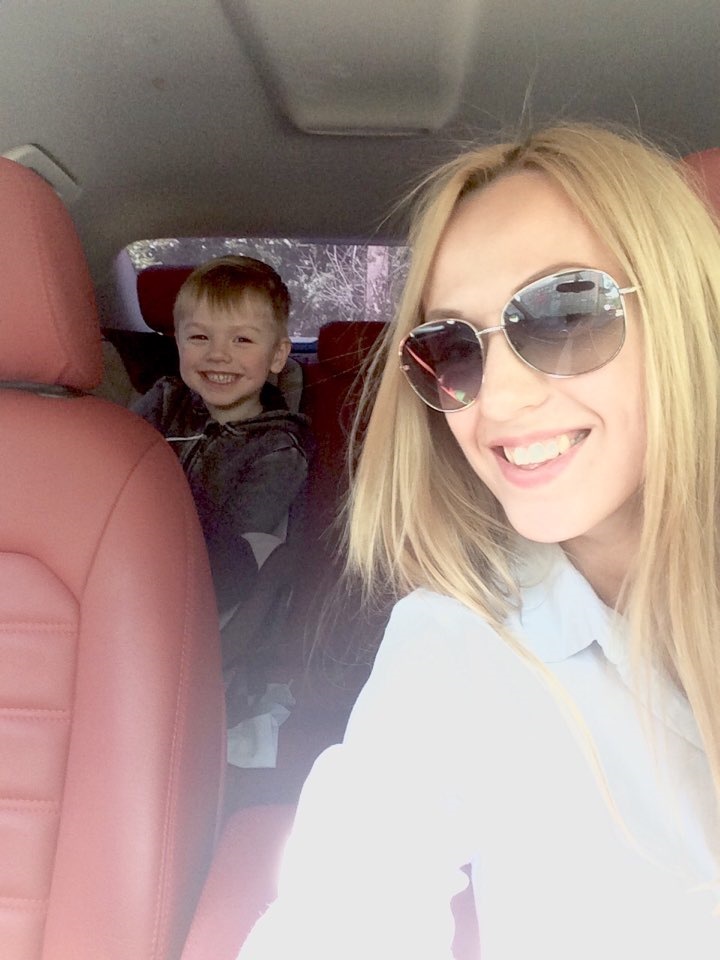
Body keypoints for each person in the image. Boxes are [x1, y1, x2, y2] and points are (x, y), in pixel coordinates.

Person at [237, 124, 720, 959]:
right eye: (450, 350)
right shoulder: (456, 643)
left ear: (688, 314)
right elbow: (348, 904)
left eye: (566, 314)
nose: (495, 400)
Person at [133, 255, 312, 619]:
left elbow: (232, 555)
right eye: (199, 337)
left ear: (277, 355)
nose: (217, 354)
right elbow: (109, 468)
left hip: (199, 596)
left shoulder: (278, 450)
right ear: (178, 343)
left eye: (242, 339)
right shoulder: (164, 400)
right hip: (125, 559)